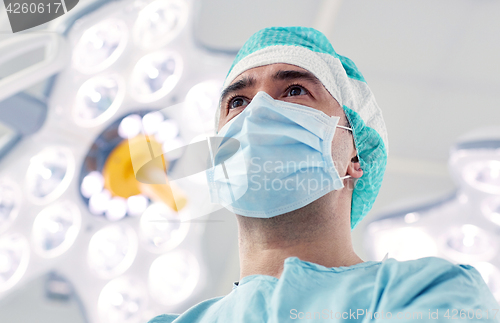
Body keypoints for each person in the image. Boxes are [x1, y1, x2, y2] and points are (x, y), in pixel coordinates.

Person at [149, 27, 499, 323]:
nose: (256, 114)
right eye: (237, 102)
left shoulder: (430, 292)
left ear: (354, 155)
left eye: (294, 91)